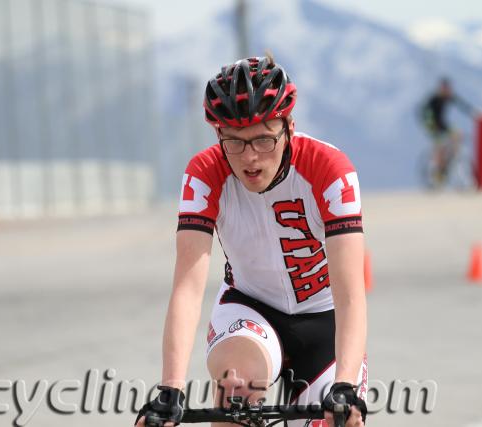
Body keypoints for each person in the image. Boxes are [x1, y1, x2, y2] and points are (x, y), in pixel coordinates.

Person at [135, 56, 368, 427]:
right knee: (236, 389)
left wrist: (345, 384)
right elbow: (187, 287)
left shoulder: (330, 169)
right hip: (251, 308)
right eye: (234, 142)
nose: (250, 157)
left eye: (263, 138)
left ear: (289, 127)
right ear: (218, 136)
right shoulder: (204, 173)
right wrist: (171, 390)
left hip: (326, 319)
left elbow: (351, 292)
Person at [420, 78, 474, 186]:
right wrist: (431, 125)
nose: (447, 91)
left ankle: (452, 157)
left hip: (443, 124)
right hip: (432, 125)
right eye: (445, 89)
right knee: (439, 143)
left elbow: (462, 105)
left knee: (457, 135)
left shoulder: (448, 97)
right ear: (441, 89)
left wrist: (473, 113)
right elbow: (426, 113)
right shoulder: (434, 99)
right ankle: (437, 167)